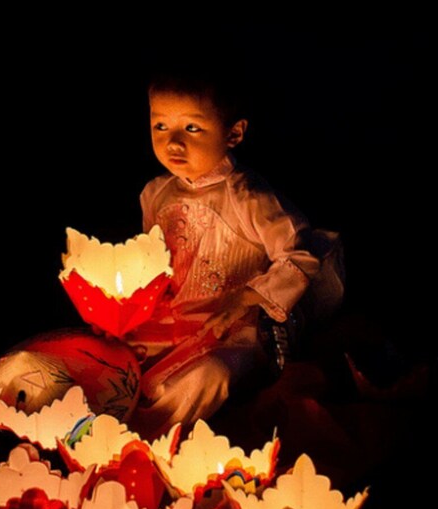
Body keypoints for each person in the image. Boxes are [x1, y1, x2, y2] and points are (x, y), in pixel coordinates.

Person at [126, 67, 324, 440]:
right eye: (161, 127)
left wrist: (248, 297)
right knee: (110, 354)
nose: (173, 143)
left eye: (192, 129)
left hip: (234, 329)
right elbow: (150, 263)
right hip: (172, 320)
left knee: (209, 376)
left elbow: (303, 251)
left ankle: (141, 442)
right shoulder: (155, 194)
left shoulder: (247, 196)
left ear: (234, 133)